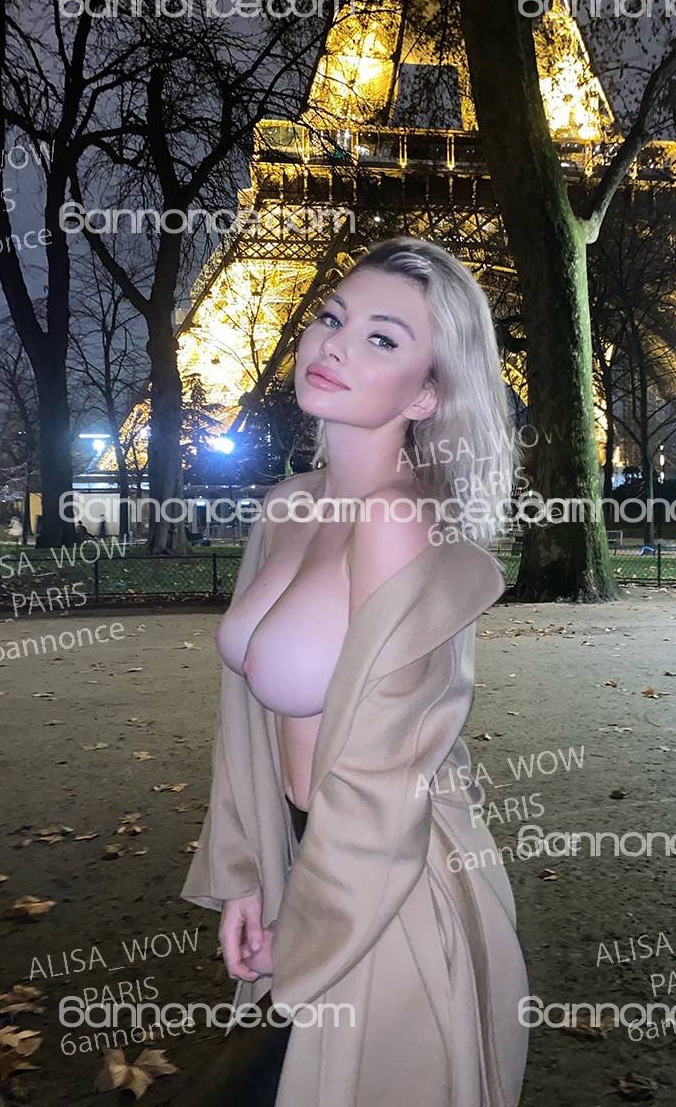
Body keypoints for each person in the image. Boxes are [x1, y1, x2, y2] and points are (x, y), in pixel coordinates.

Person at [181, 237, 529, 1107]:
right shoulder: (288, 507)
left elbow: (386, 767)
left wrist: (310, 926)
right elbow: (244, 719)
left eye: (381, 337)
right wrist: (246, 874)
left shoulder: (399, 521)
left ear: (426, 392)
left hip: (390, 892)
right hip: (306, 868)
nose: (333, 344)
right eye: (332, 318)